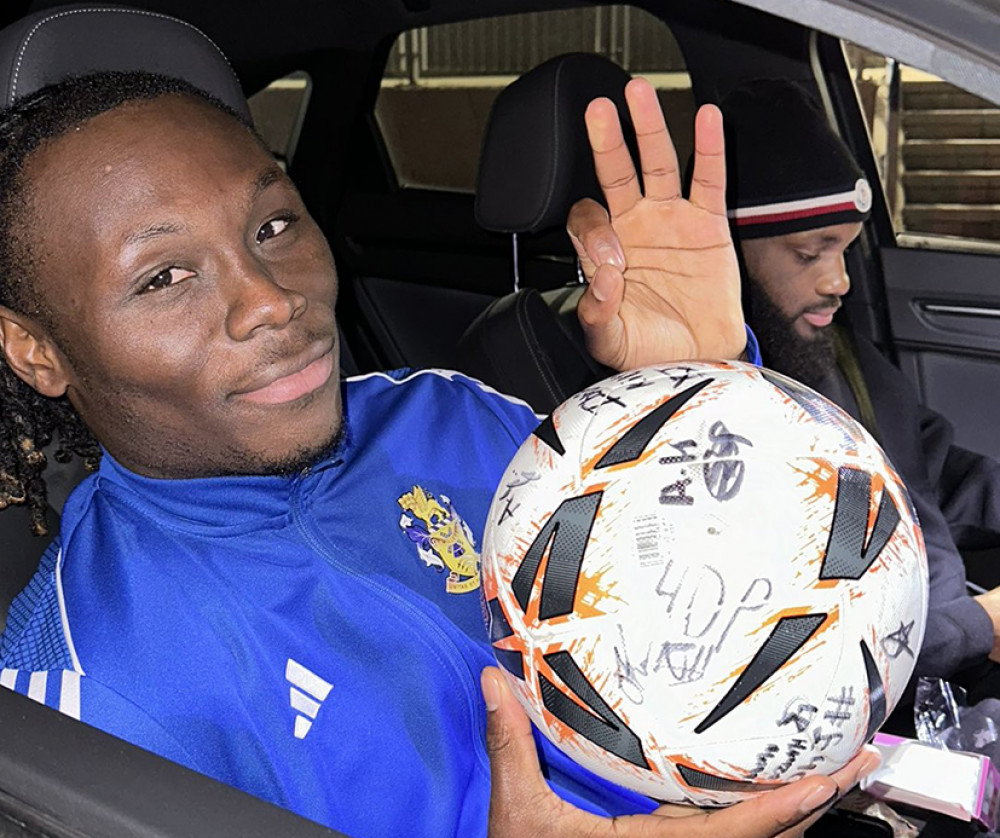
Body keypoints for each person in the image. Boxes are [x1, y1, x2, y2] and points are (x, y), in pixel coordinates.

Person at [0, 71, 876, 837]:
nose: (271, 301)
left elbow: (729, 596)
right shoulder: (86, 688)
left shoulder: (452, 417)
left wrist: (696, 388)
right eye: (163, 277)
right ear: (35, 350)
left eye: (272, 225)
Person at [568, 78, 1000, 687]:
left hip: (944, 650)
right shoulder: (702, 438)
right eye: (809, 254)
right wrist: (980, 626)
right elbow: (795, 637)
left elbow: (925, 469)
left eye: (845, 251)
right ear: (734, 252)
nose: (839, 281)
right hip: (887, 683)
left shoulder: (839, 355)